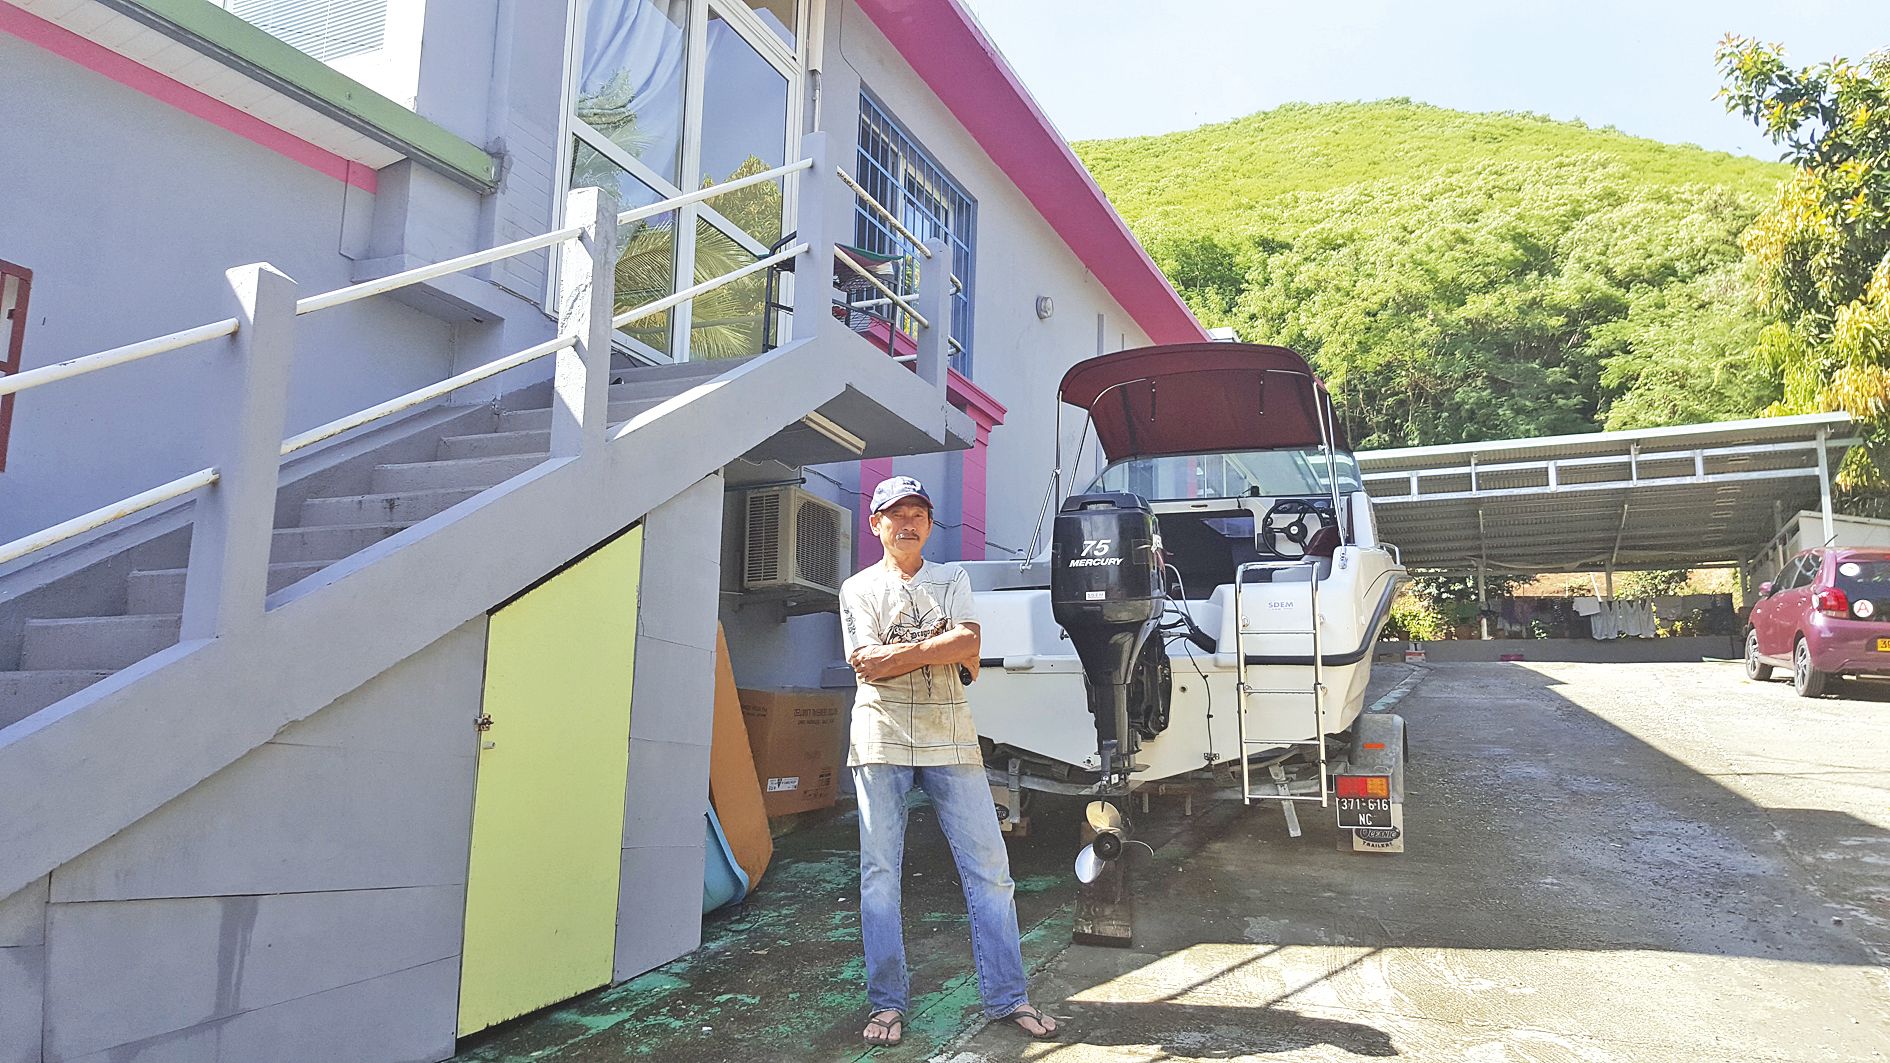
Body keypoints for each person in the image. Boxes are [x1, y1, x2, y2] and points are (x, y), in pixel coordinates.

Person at [840, 475, 1059, 1047]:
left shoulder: (952, 577)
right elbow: (867, 664)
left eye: (918, 514)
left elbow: (970, 648)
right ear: (876, 524)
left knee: (991, 871)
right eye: (896, 514)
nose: (908, 523)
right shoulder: (857, 588)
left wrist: (906, 654)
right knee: (880, 877)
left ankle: (1009, 997)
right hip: (880, 738)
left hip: (951, 734)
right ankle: (887, 1004)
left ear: (930, 524)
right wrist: (939, 645)